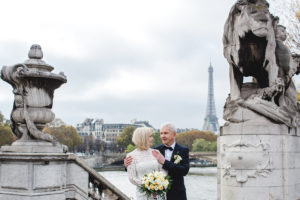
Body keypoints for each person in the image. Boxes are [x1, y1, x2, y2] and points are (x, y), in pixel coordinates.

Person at [125, 123, 190, 200]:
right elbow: (135, 170)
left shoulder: (183, 150)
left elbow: (184, 170)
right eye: (161, 133)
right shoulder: (156, 150)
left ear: (174, 134)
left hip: (176, 193)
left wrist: (164, 162)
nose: (162, 136)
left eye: (165, 133)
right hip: (148, 194)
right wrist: (127, 165)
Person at [126, 127, 166, 200]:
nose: (153, 138)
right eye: (150, 136)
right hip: (143, 195)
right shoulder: (131, 156)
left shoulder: (156, 152)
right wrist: (149, 186)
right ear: (143, 138)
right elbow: (132, 178)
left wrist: (158, 184)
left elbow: (163, 171)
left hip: (159, 194)